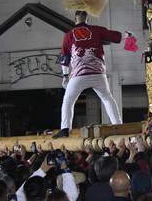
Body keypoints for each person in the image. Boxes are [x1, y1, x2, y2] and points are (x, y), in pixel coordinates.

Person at [53, 10, 130, 138]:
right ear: (87, 20)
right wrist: (127, 35)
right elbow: (113, 35)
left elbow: (64, 57)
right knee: (107, 98)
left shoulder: (69, 35)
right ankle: (118, 125)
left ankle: (65, 129)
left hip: (78, 75)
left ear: (75, 20)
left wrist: (65, 76)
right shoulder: (96, 30)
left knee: (68, 101)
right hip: (98, 73)